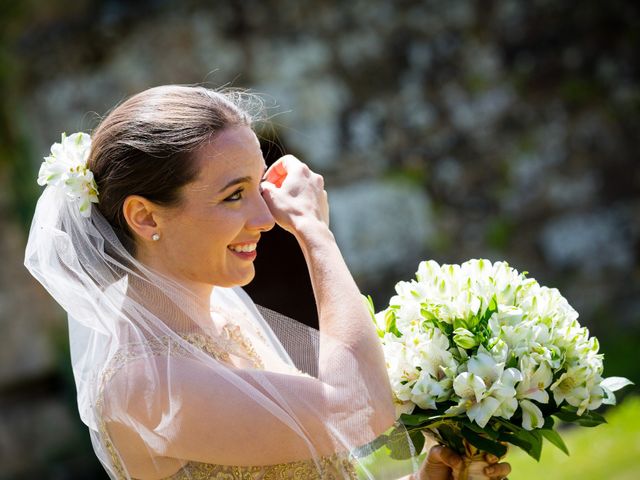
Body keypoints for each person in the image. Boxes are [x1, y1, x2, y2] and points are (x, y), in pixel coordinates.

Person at [24, 84, 510, 479]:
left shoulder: (221, 323)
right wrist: (315, 232)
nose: (265, 217)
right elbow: (357, 408)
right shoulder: (144, 385)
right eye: (234, 195)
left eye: (259, 187)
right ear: (146, 217)